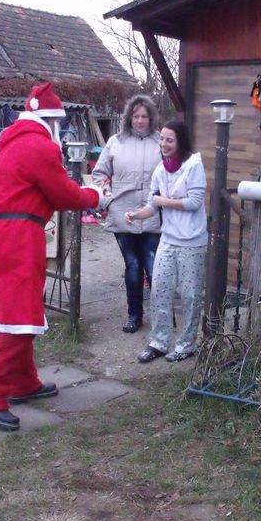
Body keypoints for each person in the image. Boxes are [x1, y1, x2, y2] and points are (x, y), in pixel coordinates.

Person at [0, 82, 103, 431]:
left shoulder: (8, 145)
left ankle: (22, 381)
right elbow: (64, 195)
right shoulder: (39, 147)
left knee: (19, 311)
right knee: (20, 317)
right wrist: (95, 195)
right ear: (52, 120)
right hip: (16, 237)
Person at [125, 120, 207, 363]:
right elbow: (153, 205)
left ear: (181, 142)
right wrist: (135, 215)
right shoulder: (160, 169)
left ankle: (186, 345)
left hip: (192, 241)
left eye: (170, 140)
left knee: (190, 295)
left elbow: (194, 202)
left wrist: (164, 202)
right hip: (168, 239)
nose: (164, 144)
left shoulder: (194, 165)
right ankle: (158, 342)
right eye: (162, 139)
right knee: (159, 289)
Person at [92, 95, 162, 333]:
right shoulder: (115, 142)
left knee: (153, 267)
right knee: (132, 266)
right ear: (129, 117)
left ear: (151, 118)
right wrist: (109, 201)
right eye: (136, 116)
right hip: (123, 214)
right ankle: (134, 315)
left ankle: (160, 318)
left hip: (153, 215)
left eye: (144, 116)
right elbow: (99, 174)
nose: (140, 120)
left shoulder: (160, 142)